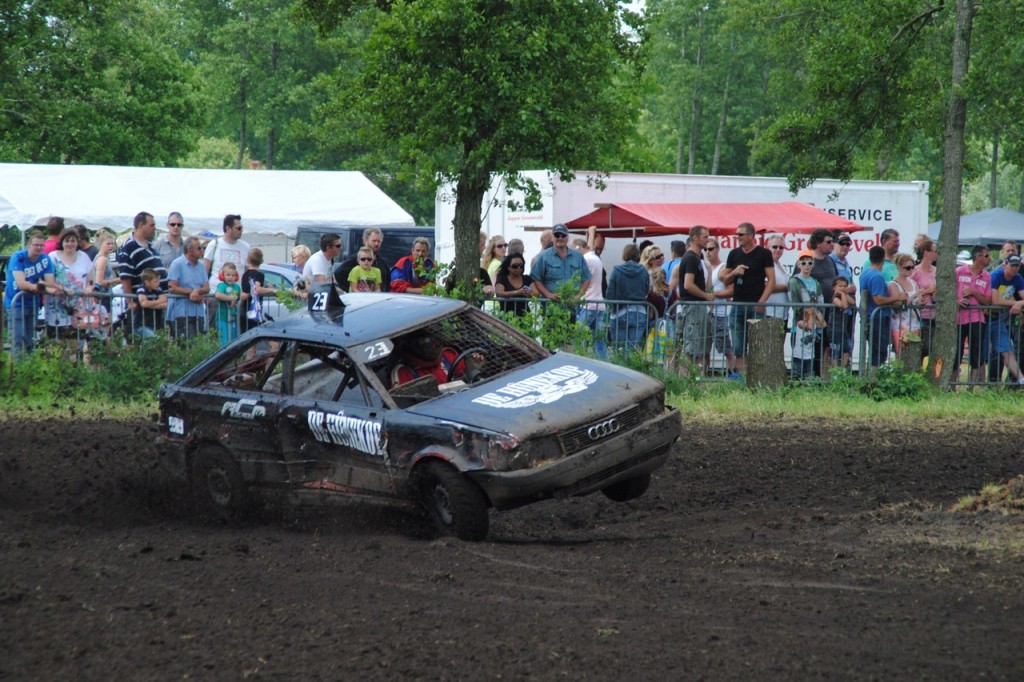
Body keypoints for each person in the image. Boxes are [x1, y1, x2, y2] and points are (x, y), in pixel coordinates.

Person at [720, 222, 775, 375]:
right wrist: (735, 273)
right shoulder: (734, 254)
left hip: (755, 304)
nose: (737, 237)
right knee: (738, 346)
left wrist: (762, 302)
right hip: (738, 304)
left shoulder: (764, 254)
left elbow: (771, 280)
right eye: (736, 234)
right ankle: (740, 377)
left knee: (758, 344)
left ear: (751, 236)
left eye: (740, 234)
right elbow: (725, 280)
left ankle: (756, 377)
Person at [3, 231, 59, 355]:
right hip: (16, 302)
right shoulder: (18, 257)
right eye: (36, 245)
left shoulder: (45, 259)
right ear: (29, 245)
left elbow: (50, 282)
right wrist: (39, 286)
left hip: (33, 302)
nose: (38, 248)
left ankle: (30, 367)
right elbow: (21, 283)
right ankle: (16, 368)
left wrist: (51, 287)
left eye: (41, 245)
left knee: (30, 340)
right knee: (17, 339)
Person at [118, 211, 167, 335]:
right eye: (152, 225)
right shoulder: (129, 247)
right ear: (140, 225)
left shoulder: (151, 246)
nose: (154, 229)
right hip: (140, 308)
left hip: (156, 307)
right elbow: (125, 277)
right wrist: (130, 302)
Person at [673, 225, 715, 373]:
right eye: (705, 237)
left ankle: (695, 380)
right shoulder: (690, 258)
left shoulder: (697, 259)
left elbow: (703, 284)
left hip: (698, 307)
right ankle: (685, 381)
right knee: (691, 347)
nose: (707, 240)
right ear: (695, 238)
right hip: (692, 307)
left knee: (699, 347)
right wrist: (706, 296)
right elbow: (688, 284)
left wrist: (709, 272)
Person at [861, 246, 905, 368]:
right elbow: (878, 299)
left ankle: (873, 375)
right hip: (878, 317)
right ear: (883, 259)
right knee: (879, 350)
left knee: (876, 349)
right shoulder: (877, 276)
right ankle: (874, 376)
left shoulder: (865, 273)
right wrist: (897, 297)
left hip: (871, 316)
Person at [953, 245, 992, 384]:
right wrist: (957, 300)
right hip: (958, 317)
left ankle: (971, 387)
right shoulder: (959, 271)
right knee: (956, 352)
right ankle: (952, 385)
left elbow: (987, 301)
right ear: (977, 257)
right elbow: (949, 291)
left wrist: (974, 292)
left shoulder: (987, 276)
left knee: (976, 353)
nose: (989, 258)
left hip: (977, 317)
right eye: (986, 255)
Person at [45, 227, 93, 340]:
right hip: (57, 307)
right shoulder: (53, 257)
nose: (70, 244)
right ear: (62, 242)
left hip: (79, 307)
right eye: (67, 241)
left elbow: (91, 280)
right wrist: (61, 290)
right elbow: (49, 281)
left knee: (76, 342)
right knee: (58, 343)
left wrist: (89, 288)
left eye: (73, 241)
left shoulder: (84, 257)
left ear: (77, 242)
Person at [530, 224, 590, 307]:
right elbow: (535, 277)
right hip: (550, 307)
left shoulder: (578, 256)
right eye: (557, 235)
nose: (560, 238)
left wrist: (578, 296)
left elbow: (587, 278)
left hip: (572, 307)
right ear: (552, 237)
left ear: (567, 237)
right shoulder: (543, 257)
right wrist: (548, 294)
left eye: (563, 235)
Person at [986, 254, 1024, 385]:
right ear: (1005, 264)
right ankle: (978, 385)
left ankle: (1022, 380)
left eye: (1017, 266)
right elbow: (994, 300)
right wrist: (1015, 303)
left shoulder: (1018, 278)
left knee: (1007, 351)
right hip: (983, 318)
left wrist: (1020, 303)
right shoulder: (995, 275)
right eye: (1012, 265)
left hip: (997, 320)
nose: (1014, 268)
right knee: (981, 353)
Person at [390, 333, 480, 387]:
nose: (434, 345)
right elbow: (404, 403)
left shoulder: (448, 355)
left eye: (435, 341)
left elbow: (470, 379)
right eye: (426, 343)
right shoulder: (402, 373)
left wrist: (473, 367)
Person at [704, 237, 738, 379]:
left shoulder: (723, 268)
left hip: (720, 314)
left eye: (711, 249)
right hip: (706, 313)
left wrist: (716, 294)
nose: (707, 252)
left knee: (726, 349)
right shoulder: (706, 267)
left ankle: (734, 377)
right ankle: (702, 378)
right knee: (704, 349)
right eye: (705, 249)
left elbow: (732, 291)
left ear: (717, 249)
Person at [789, 251, 826, 379]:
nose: (806, 265)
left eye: (809, 262)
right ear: (798, 264)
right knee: (797, 356)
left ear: (813, 265)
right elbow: (795, 304)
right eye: (803, 262)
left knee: (810, 356)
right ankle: (795, 382)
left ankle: (808, 382)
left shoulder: (816, 283)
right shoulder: (794, 281)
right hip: (799, 324)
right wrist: (808, 312)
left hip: (814, 325)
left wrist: (817, 315)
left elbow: (821, 302)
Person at [606, 243, 650, 352]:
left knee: (619, 349)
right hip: (640, 312)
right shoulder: (644, 271)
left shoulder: (616, 270)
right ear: (638, 255)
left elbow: (609, 294)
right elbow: (646, 290)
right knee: (632, 350)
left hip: (620, 312)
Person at [167, 236, 210, 339]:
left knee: (197, 345)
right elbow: (172, 287)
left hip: (198, 312)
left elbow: (207, 287)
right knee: (184, 347)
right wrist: (191, 292)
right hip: (180, 313)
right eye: (199, 248)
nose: (202, 251)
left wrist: (197, 291)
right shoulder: (177, 264)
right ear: (189, 250)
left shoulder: (201, 266)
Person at [807, 229, 837, 374]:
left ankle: (820, 375)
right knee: (812, 344)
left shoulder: (831, 260)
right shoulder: (807, 260)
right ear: (818, 243)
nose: (832, 244)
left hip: (829, 311)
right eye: (828, 242)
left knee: (825, 344)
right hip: (813, 311)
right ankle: (810, 374)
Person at [574, 230, 606, 359]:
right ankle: (604, 361)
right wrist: (591, 232)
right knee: (599, 339)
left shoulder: (586, 259)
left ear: (578, 248)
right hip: (598, 303)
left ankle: (578, 359)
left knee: (578, 336)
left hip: (588, 304)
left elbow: (581, 280)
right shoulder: (594, 257)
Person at [830, 233, 858, 368]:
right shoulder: (830, 260)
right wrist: (845, 290)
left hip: (848, 311)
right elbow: (834, 287)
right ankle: (830, 375)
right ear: (834, 244)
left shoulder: (846, 263)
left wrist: (852, 288)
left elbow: (848, 285)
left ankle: (843, 371)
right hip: (835, 311)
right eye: (842, 243)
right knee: (832, 345)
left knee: (847, 344)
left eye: (848, 244)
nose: (845, 247)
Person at [334, 228, 391, 293]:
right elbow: (339, 274)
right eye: (374, 241)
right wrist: (353, 289)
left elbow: (386, 284)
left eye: (379, 241)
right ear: (366, 241)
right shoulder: (355, 259)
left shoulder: (382, 263)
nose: (376, 244)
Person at [203, 214, 250, 290]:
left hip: (237, 295)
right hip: (215, 293)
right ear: (228, 228)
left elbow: (248, 273)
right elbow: (204, 272)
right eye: (239, 228)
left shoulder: (246, 247)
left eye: (242, 228)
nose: (241, 231)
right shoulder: (214, 244)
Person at [889, 253, 922, 357]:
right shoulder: (893, 284)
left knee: (914, 356)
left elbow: (919, 300)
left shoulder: (913, 283)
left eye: (913, 267)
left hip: (915, 324)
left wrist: (921, 300)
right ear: (899, 267)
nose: (911, 270)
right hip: (900, 326)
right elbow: (898, 306)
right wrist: (913, 296)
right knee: (902, 355)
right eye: (908, 268)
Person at [910, 238, 937, 363]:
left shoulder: (937, 271)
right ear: (926, 252)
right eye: (935, 251)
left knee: (934, 348)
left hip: (935, 315)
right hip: (920, 315)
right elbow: (911, 291)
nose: (937, 254)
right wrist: (927, 291)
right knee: (921, 348)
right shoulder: (915, 272)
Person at [240, 248, 276, 334]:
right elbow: (257, 289)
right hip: (255, 311)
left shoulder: (245, 274)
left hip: (244, 309)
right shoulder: (259, 274)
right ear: (261, 261)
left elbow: (250, 287)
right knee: (270, 336)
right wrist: (273, 290)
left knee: (250, 340)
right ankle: (274, 348)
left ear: (247, 260)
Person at [493, 252, 535, 318]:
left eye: (521, 266)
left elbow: (536, 293)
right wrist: (517, 292)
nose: (518, 268)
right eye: (515, 266)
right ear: (508, 267)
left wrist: (529, 293)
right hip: (506, 317)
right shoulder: (502, 278)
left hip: (525, 316)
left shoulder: (527, 278)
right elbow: (499, 293)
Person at [133, 268, 167, 339]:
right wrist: (158, 301)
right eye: (156, 281)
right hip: (141, 324)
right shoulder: (141, 289)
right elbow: (144, 303)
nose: (158, 283)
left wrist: (150, 305)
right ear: (147, 282)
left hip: (155, 324)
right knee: (155, 340)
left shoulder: (158, 289)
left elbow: (165, 303)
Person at [830, 276, 856, 367]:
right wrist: (842, 294)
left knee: (848, 347)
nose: (842, 288)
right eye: (840, 286)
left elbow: (852, 302)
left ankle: (843, 369)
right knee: (835, 350)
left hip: (843, 327)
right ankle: (835, 370)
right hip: (834, 328)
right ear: (834, 287)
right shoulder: (834, 298)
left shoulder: (844, 295)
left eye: (845, 286)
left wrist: (844, 294)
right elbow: (844, 305)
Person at [214, 262, 242, 346]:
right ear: (223, 275)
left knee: (234, 339)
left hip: (233, 317)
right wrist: (231, 298)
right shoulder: (222, 286)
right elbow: (218, 295)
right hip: (222, 317)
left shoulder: (237, 287)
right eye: (228, 275)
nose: (231, 277)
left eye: (233, 275)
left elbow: (240, 297)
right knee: (224, 341)